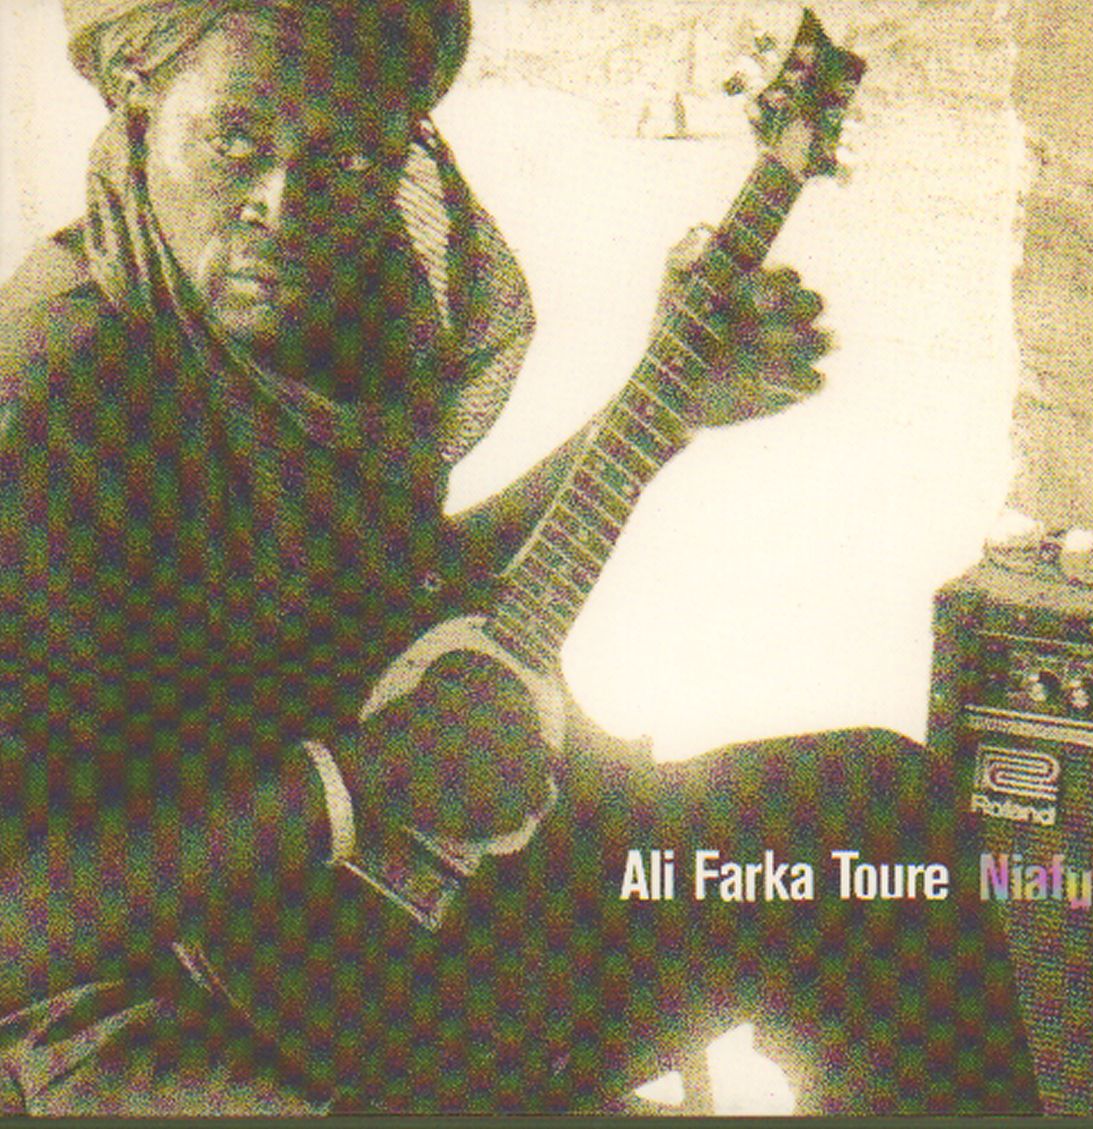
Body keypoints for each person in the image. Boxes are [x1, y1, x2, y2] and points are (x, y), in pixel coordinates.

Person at [0, 0, 1039, 1114]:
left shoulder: (317, 311)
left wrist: (658, 412)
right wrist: (362, 779)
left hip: (388, 920)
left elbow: (393, 600)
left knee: (871, 822)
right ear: (139, 102)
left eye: (348, 160)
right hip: (144, 1004)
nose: (282, 207)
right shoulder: (55, 401)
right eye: (235, 139)